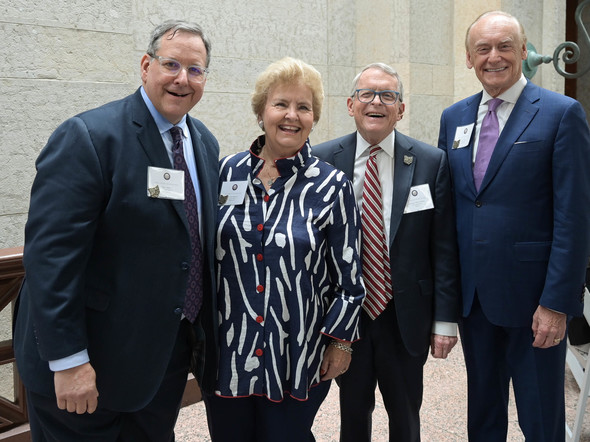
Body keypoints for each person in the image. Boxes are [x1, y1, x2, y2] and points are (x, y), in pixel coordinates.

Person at [13, 20, 219, 441]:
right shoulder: (89, 137)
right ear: (146, 66)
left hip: (159, 367)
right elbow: (51, 260)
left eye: (195, 70)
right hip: (88, 372)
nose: (183, 79)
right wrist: (69, 362)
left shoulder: (204, 144)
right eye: (171, 64)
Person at [438, 11, 590, 441]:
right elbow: (454, 211)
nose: (494, 57)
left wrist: (557, 303)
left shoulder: (561, 114)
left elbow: (574, 218)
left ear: (523, 52)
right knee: (483, 418)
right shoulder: (454, 118)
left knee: (540, 420)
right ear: (469, 58)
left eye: (505, 46)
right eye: (482, 49)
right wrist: (446, 306)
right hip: (476, 300)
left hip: (534, 302)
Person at [204, 57, 365, 442]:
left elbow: (350, 277)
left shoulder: (332, 185)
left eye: (303, 107)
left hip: (298, 354)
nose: (291, 115)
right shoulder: (225, 172)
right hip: (229, 353)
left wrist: (341, 342)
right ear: (262, 112)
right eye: (281, 104)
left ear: (314, 118)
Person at [313, 63, 460, 442]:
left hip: (405, 314)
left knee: (406, 414)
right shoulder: (323, 158)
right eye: (367, 94)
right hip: (348, 316)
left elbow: (443, 247)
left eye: (388, 95)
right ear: (350, 104)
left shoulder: (430, 162)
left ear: (401, 108)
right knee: (352, 413)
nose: (376, 102)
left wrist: (444, 320)